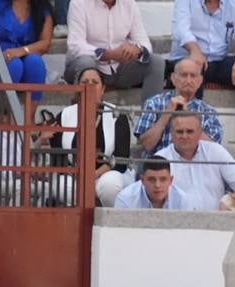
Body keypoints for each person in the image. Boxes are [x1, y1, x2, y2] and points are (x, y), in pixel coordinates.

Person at [169, 0, 235, 144]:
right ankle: (190, 126)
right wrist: (195, 51)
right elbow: (181, 30)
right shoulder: (186, 2)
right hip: (189, 57)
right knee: (192, 69)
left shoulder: (234, 5)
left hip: (218, 60)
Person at [49, 65, 133, 206]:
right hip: (75, 174)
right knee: (66, 188)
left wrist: (92, 177)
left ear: (103, 89)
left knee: (110, 186)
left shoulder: (117, 115)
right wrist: (78, 174)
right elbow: (58, 156)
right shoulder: (64, 115)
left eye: (95, 82)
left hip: (108, 172)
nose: (89, 86)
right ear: (77, 88)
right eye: (85, 82)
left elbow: (121, 158)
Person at [64, 0, 164, 99]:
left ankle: (152, 113)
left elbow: (144, 42)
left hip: (119, 68)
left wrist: (137, 49)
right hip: (89, 66)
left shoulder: (129, 4)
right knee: (86, 63)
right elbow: (75, 45)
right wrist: (108, 54)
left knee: (156, 62)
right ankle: (84, 114)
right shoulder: (79, 3)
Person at [133, 57, 223, 153]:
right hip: (160, 165)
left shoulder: (208, 112)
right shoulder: (154, 103)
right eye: (184, 75)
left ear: (200, 81)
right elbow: (146, 145)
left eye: (193, 76)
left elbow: (213, 150)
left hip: (193, 165)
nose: (188, 80)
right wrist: (166, 115)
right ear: (173, 78)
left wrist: (188, 116)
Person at [154, 111, 235, 210]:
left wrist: (229, 202)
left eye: (190, 131)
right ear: (171, 133)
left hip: (216, 222)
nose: (184, 136)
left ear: (200, 132)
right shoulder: (161, 158)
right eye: (180, 132)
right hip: (175, 222)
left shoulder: (215, 152)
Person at [0, 0, 53, 100]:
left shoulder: (41, 7)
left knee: (36, 63)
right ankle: (0, 112)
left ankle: (29, 115)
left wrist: (21, 51)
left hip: (23, 58)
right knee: (15, 65)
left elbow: (45, 43)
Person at [113, 158, 193, 208]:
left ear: (171, 180)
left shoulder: (182, 200)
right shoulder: (126, 199)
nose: (157, 185)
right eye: (151, 179)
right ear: (142, 180)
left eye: (163, 179)